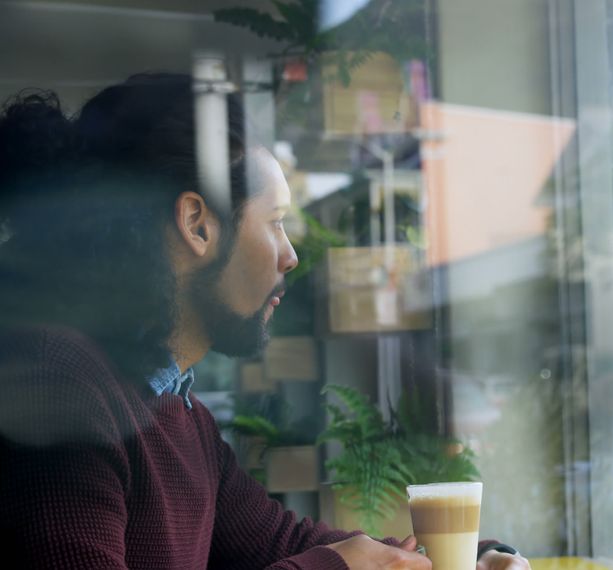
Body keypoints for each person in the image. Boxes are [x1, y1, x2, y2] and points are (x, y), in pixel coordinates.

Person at [0, 73, 528, 570]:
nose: (290, 255)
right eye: (275, 222)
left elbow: (287, 543)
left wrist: (464, 558)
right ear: (197, 226)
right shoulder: (60, 386)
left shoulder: (175, 411)